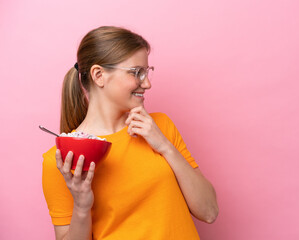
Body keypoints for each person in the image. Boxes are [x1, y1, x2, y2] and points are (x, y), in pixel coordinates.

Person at [42, 26, 218, 240]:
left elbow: (209, 212)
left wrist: (164, 147)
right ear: (99, 75)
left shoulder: (159, 126)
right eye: (137, 73)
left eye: (147, 72)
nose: (147, 83)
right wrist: (81, 205)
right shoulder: (62, 159)